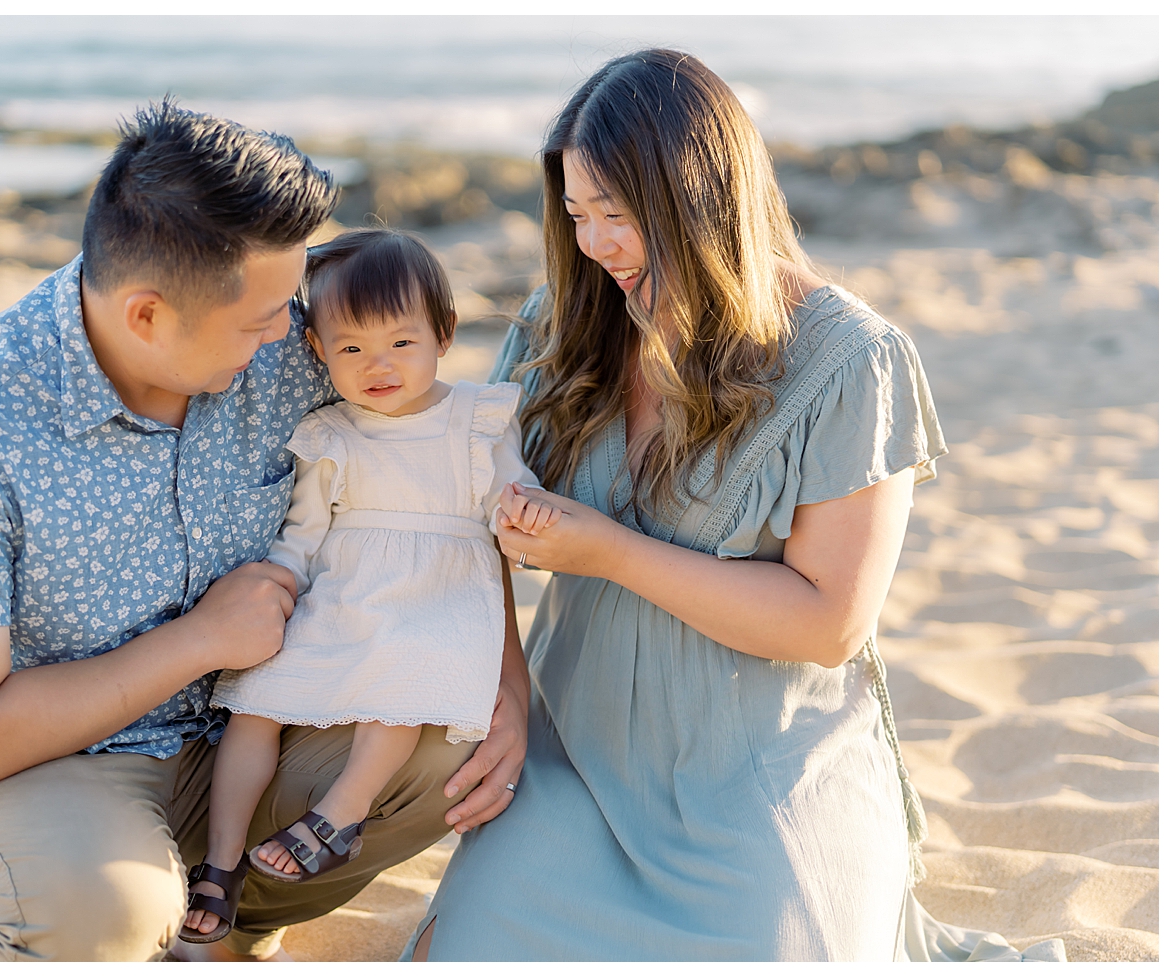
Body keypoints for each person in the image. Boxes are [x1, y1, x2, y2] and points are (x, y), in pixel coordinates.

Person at [406, 49, 1051, 962]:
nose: (593, 245)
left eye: (618, 216)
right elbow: (471, 532)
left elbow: (830, 621)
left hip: (762, 769)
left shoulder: (849, 360)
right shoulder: (564, 320)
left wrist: (613, 552)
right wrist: (508, 697)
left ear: (700, 201)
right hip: (570, 756)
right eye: (577, 214)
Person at [0, 101, 529, 962]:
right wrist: (201, 638)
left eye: (291, 308)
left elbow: (441, 474)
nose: (288, 336)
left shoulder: (290, 332)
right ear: (146, 315)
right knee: (98, 910)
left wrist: (505, 681)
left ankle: (226, 927)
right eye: (261, 321)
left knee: (454, 739)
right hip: (47, 762)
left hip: (245, 730)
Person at [179, 229, 559, 943]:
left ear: (442, 335)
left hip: (433, 599)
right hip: (344, 597)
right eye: (350, 348)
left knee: (401, 680)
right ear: (319, 351)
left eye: (400, 343)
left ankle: (341, 813)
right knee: (254, 702)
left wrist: (524, 511)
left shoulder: (475, 419)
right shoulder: (331, 433)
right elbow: (302, 532)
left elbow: (510, 494)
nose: (376, 365)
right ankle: (222, 863)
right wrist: (281, 585)